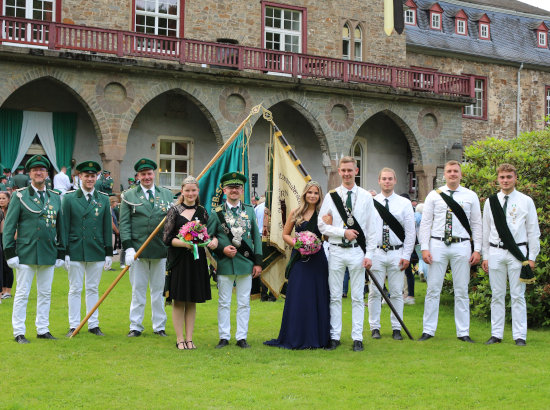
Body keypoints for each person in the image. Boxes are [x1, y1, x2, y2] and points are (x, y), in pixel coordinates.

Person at [3, 155, 65, 344]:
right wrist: (9, 252)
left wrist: (61, 252)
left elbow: (59, 226)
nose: (39, 173)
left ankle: (43, 328)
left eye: (42, 170)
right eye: (35, 170)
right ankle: (19, 332)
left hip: (47, 251)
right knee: (23, 293)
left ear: (47, 174)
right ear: (30, 174)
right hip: (26, 252)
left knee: (45, 293)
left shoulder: (54, 197)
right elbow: (9, 226)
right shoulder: (20, 195)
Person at [418, 160, 482, 343]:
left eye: (456, 171)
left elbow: (477, 224)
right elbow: (426, 223)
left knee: (461, 290)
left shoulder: (470, 196)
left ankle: (463, 332)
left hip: (461, 245)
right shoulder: (434, 195)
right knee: (433, 289)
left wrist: (477, 249)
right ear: (444, 174)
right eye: (449, 171)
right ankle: (428, 330)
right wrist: (424, 247)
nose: (453, 174)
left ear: (461, 174)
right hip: (437, 244)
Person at [318, 156, 377, 352]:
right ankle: (334, 336)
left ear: (356, 171)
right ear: (339, 171)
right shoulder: (331, 196)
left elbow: (372, 229)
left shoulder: (366, 197)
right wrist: (342, 232)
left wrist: (369, 254)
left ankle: (357, 337)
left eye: (350, 170)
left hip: (357, 252)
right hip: (336, 250)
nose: (346, 174)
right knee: (335, 295)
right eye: (343, 170)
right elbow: (322, 225)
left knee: (358, 296)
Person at [265, 181, 330, 349]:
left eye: (316, 193)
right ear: (304, 194)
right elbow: (285, 234)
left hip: (317, 260)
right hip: (299, 259)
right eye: (310, 192)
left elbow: (328, 237)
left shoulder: (324, 214)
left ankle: (317, 337)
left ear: (320, 195)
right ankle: (295, 335)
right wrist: (299, 244)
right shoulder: (296, 212)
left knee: (317, 295)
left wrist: (316, 242)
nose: (312, 196)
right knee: (299, 295)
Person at [482, 164, 540, 346]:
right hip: (496, 252)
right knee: (497, 295)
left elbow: (533, 231)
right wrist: (485, 255)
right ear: (497, 179)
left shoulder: (526, 201)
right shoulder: (491, 202)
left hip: (518, 252)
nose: (505, 180)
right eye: (502, 177)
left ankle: (519, 336)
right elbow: (486, 230)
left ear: (515, 178)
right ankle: (496, 334)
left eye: (509, 177)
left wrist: (532, 257)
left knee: (518, 295)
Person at [206, 172, 262, 349]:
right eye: (231, 187)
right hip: (225, 263)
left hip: (246, 263)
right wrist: (221, 249)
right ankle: (224, 336)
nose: (234, 190)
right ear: (224, 190)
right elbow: (208, 237)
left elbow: (256, 238)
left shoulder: (250, 210)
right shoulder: (216, 213)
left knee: (244, 302)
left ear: (242, 190)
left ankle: (241, 337)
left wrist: (258, 262)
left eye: (237, 188)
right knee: (224, 302)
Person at [119, 158, 174, 337]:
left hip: (160, 249)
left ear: (154, 174)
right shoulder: (129, 196)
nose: (147, 177)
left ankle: (159, 326)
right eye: (143, 174)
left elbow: (173, 222)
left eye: (149, 173)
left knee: (158, 291)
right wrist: (128, 248)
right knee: (138, 290)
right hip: (138, 250)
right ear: (138, 176)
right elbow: (124, 224)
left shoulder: (167, 195)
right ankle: (135, 326)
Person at [163, 176, 217, 350]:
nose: (190, 193)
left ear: (198, 191)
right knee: (179, 300)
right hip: (179, 260)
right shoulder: (174, 211)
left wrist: (211, 241)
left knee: (192, 300)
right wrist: (186, 243)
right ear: (182, 191)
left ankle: (190, 338)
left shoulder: (202, 211)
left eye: (194, 190)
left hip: (197, 260)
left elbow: (208, 234)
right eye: (187, 190)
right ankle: (180, 339)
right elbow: (166, 238)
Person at [62, 161, 113, 337]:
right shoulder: (68, 198)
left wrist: (108, 252)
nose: (90, 179)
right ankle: (74, 324)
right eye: (86, 176)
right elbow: (65, 226)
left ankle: (93, 323)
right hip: (76, 248)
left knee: (93, 288)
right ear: (79, 177)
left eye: (93, 176)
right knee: (75, 288)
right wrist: (65, 252)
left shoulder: (103, 199)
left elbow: (107, 227)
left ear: (96, 177)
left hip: (96, 248)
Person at [368, 168, 416, 340]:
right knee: (375, 291)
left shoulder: (404, 203)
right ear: (379, 181)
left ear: (395, 181)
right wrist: (368, 254)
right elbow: (367, 230)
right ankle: (375, 327)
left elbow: (410, 232)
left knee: (396, 292)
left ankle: (397, 327)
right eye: (384, 179)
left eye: (390, 179)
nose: (387, 182)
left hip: (397, 252)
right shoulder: (371, 202)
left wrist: (407, 255)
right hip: (377, 252)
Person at [0, 191, 13, 299]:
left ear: (8, 200)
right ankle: (2, 289)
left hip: (9, 239)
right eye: (0, 198)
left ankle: (8, 290)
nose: (1, 200)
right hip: (0, 238)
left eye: (4, 198)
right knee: (1, 265)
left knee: (8, 264)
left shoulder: (11, 211)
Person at [414, 203, 429, 283]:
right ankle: (425, 275)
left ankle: (420, 270)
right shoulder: (425, 216)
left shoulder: (416, 215)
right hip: (426, 240)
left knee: (420, 258)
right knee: (425, 258)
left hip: (417, 240)